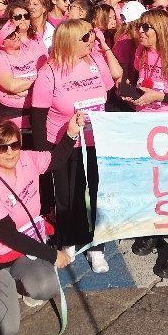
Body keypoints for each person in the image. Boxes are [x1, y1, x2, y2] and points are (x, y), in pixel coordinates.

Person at [0, 115, 83, 335]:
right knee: (6, 330)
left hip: (24, 247)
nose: (10, 152)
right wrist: (52, 255)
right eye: (2, 147)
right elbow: (8, 235)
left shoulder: (27, 158)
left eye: (15, 144)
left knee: (46, 287)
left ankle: (18, 282)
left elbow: (56, 160)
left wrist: (71, 133)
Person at [31, 20, 119, 273]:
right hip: (64, 144)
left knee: (94, 195)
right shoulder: (50, 71)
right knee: (66, 197)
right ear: (70, 41)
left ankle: (96, 247)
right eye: (86, 37)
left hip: (95, 143)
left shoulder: (96, 60)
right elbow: (38, 115)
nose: (92, 40)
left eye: (91, 34)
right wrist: (44, 154)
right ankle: (67, 242)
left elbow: (110, 92)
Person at [121, 10, 168, 278]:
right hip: (146, 128)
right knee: (149, 185)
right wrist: (132, 95)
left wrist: (159, 96)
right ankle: (152, 232)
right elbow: (140, 86)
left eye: (146, 28)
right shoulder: (140, 52)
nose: (140, 32)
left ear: (161, 30)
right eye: (139, 27)